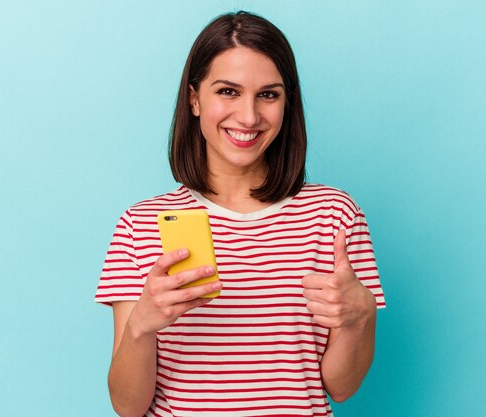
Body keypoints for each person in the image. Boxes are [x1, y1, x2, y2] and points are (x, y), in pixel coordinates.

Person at [95, 10, 386, 417]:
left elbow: (341, 386)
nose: (249, 117)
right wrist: (142, 325)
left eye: (268, 94)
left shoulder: (333, 216)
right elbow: (128, 406)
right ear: (195, 99)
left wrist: (360, 317)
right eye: (228, 91)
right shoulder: (140, 224)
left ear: (288, 103)